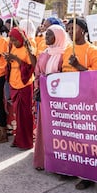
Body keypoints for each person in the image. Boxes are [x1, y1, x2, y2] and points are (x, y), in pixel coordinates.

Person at [62, 17, 97, 189]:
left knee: (86, 139)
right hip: (68, 100)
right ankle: (71, 168)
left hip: (86, 102)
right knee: (71, 137)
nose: (70, 32)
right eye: (68, 28)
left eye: (74, 28)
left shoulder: (93, 51)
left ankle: (88, 176)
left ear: (83, 30)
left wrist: (79, 66)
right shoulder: (66, 50)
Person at [33, 24, 70, 170]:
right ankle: (43, 160)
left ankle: (60, 164)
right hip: (44, 97)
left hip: (59, 100)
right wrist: (38, 87)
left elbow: (66, 74)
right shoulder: (44, 53)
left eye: (49, 35)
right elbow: (37, 72)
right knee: (44, 128)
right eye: (45, 34)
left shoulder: (65, 54)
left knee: (59, 131)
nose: (45, 37)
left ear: (58, 37)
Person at [4, 27, 36, 150]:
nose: (13, 42)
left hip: (25, 84)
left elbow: (32, 66)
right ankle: (18, 139)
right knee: (17, 114)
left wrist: (16, 59)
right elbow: (12, 64)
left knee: (25, 114)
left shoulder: (27, 48)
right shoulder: (12, 47)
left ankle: (26, 142)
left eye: (15, 40)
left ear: (20, 39)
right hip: (14, 83)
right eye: (11, 39)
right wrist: (9, 59)